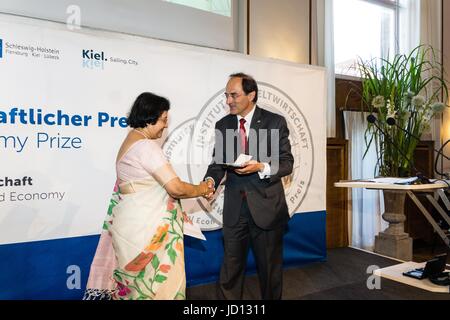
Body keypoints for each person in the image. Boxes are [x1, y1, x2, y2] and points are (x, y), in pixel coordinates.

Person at [83, 92, 213, 300]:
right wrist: (203, 188)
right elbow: (176, 188)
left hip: (130, 227)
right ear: (149, 117)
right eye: (162, 120)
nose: (164, 127)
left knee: (135, 290)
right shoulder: (145, 147)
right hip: (146, 229)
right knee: (156, 289)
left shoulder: (130, 141)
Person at [203, 73, 294, 300]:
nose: (228, 101)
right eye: (227, 95)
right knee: (230, 270)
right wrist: (210, 181)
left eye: (234, 95)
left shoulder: (275, 122)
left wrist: (261, 166)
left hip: (266, 208)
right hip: (235, 209)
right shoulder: (223, 124)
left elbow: (286, 163)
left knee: (269, 271)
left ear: (251, 95)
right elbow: (218, 163)